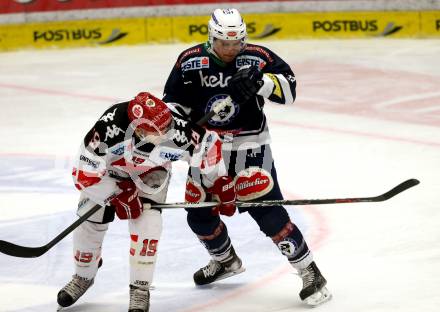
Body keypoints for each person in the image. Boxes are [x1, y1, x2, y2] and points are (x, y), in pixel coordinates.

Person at [163, 8, 331, 306]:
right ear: (211, 37)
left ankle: (309, 271)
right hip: (206, 149)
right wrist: (180, 130)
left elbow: (290, 92)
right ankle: (225, 261)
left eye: (237, 43)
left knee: (266, 210)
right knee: (198, 212)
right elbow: (173, 104)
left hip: (251, 147)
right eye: (224, 43)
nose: (231, 50)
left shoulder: (258, 57)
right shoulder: (190, 62)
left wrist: (261, 83)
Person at [56, 92, 237, 312]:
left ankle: (140, 289)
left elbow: (207, 147)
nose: (168, 133)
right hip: (109, 175)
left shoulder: (177, 128)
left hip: (151, 175)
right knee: (89, 224)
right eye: (159, 131)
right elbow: (82, 174)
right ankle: (83, 275)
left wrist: (219, 184)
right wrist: (116, 194)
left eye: (168, 125)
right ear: (139, 128)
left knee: (148, 228)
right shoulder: (108, 129)